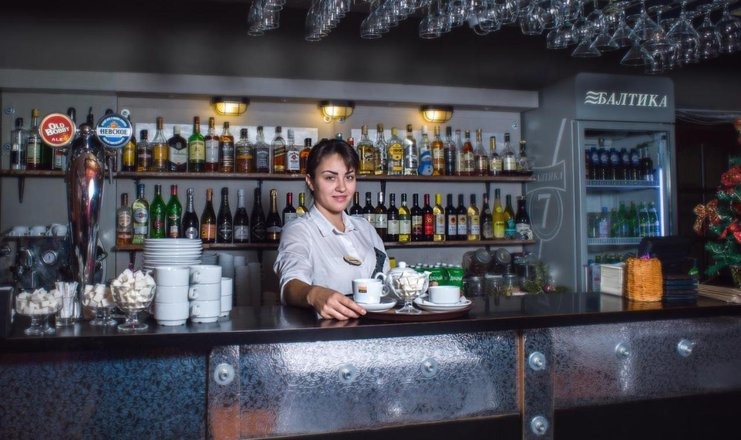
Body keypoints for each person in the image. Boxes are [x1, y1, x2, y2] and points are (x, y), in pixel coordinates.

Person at [274, 138, 389, 320]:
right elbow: (290, 284)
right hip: (329, 334)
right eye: (330, 177)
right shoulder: (299, 231)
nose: (342, 187)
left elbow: (387, 283)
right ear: (310, 181)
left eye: (349, 177)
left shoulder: (365, 228)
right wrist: (313, 294)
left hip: (377, 330)